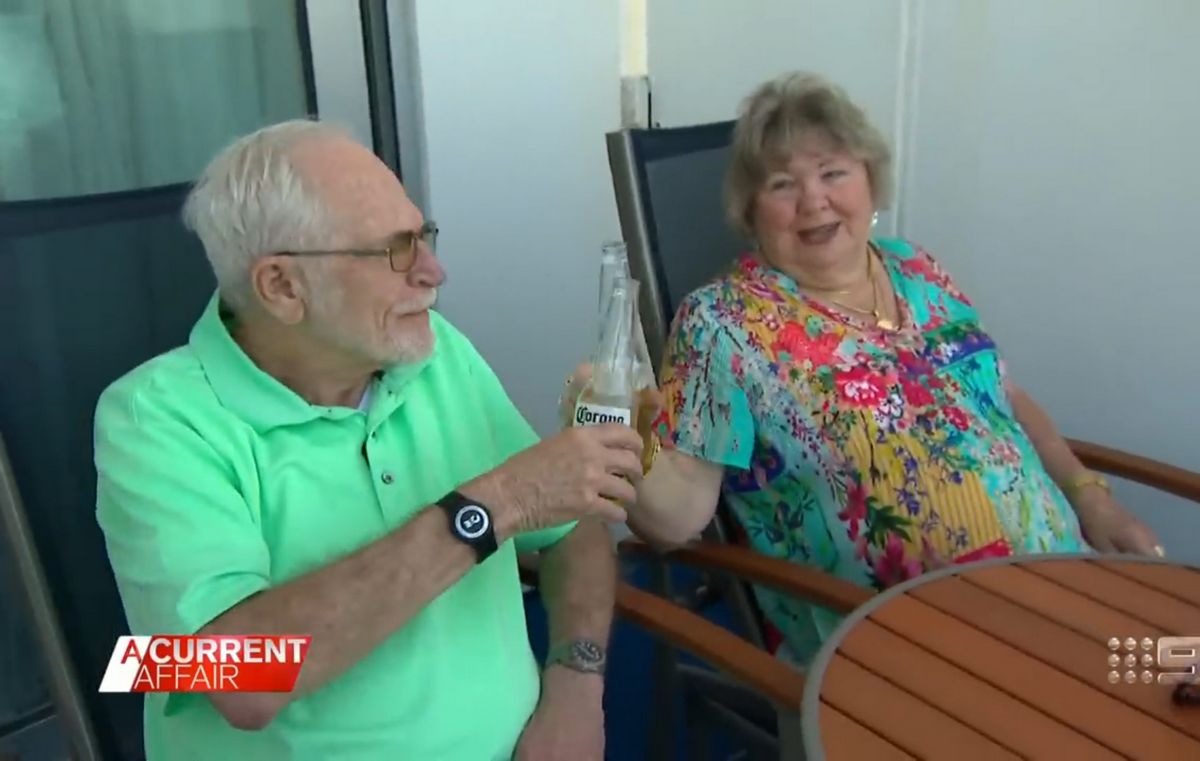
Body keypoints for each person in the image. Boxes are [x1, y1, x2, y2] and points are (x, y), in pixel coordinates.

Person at [93, 119, 644, 760]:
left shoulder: (433, 354)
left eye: (424, 235)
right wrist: (492, 507)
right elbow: (239, 682)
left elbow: (568, 527)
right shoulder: (151, 419)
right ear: (282, 287)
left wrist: (576, 686)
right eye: (397, 249)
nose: (434, 273)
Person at [628, 72, 1162, 665]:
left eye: (833, 173)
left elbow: (1004, 396)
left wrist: (1090, 497)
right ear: (751, 213)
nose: (814, 200)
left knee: (1174, 678)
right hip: (914, 642)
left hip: (1059, 579)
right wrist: (618, 431)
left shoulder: (918, 268)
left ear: (870, 181)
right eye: (783, 184)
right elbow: (675, 518)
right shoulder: (724, 323)